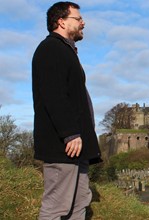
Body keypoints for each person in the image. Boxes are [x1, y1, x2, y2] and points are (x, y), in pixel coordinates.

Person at [32, 2, 102, 219]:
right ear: (61, 22)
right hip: (63, 145)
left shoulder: (65, 51)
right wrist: (69, 133)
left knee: (80, 202)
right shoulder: (50, 49)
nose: (83, 22)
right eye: (78, 18)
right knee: (57, 207)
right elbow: (53, 95)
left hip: (77, 146)